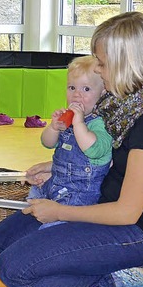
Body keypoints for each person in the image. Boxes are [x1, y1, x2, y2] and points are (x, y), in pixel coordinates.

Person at [0, 11, 143, 287]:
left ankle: (132, 272)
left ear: (127, 64)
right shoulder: (124, 100)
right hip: (106, 202)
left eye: (102, 63)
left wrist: (59, 212)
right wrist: (58, 166)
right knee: (3, 239)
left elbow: (126, 212)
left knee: (14, 270)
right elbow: (105, 156)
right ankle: (87, 256)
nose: (97, 70)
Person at [28, 56, 112, 212]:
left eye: (86, 89)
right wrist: (53, 128)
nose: (76, 94)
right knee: (31, 200)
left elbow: (94, 149)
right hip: (56, 185)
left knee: (50, 226)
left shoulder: (100, 123)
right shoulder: (68, 118)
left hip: (79, 198)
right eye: (72, 88)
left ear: (102, 93)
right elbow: (47, 143)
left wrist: (78, 123)